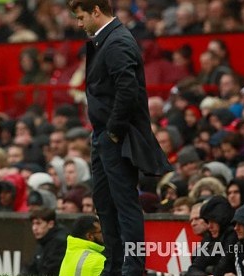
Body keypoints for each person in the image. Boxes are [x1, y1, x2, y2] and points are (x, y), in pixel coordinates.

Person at [68, 0, 172, 275]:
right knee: (104, 202)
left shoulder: (117, 41)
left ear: (96, 11)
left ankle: (132, 267)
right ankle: (114, 265)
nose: (79, 24)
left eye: (81, 17)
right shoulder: (108, 40)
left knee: (125, 203)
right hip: (102, 134)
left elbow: (128, 89)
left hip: (116, 137)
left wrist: (113, 132)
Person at [23, 207, 68, 276]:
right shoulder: (43, 240)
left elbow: (50, 271)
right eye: (33, 224)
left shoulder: (59, 242)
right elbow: (31, 267)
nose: (34, 228)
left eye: (38, 223)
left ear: (50, 224)